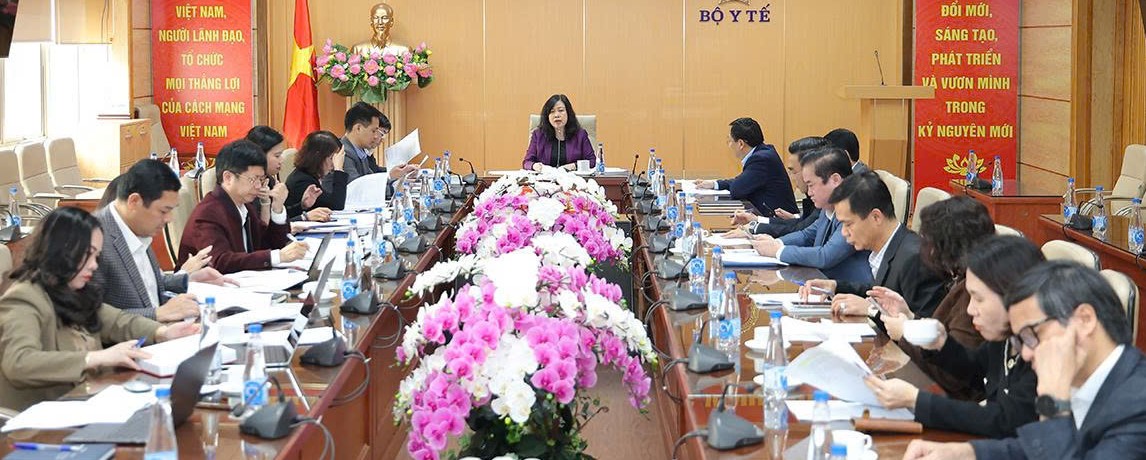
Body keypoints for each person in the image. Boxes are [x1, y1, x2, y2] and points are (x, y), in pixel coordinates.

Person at [905, 261, 1146, 459]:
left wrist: (1054, 403)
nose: (1027, 354)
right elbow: (1035, 447)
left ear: (1084, 320)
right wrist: (965, 453)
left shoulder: (1138, 407)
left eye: (1032, 335)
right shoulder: (1086, 377)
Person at [0, 207, 199, 411]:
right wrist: (96, 358)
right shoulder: (24, 297)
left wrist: (163, 332)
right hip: (42, 417)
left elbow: (118, 321)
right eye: (88, 255)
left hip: (86, 401)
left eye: (97, 256)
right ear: (62, 251)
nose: (94, 265)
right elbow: (19, 362)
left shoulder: (72, 289)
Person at [864, 236, 1045, 438]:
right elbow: (975, 369)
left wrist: (916, 400)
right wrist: (941, 344)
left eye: (978, 299)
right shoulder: (1006, 336)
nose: (970, 309)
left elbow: (1005, 421)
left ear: (1014, 296)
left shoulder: (1042, 354)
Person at [865, 195, 995, 400]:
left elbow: (953, 374)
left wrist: (905, 332)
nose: (925, 249)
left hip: (950, 400)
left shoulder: (973, 292)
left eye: (930, 241)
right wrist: (909, 316)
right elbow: (942, 334)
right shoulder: (961, 277)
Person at [93, 160, 234, 322]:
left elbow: (146, 284)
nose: (169, 219)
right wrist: (158, 313)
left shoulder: (137, 225)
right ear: (134, 201)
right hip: (137, 336)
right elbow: (90, 316)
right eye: (163, 211)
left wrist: (187, 280)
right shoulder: (92, 239)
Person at [798, 171, 947, 318]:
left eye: (848, 224)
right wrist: (834, 286)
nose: (843, 232)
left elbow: (926, 327)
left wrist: (872, 310)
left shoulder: (915, 258)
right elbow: (877, 292)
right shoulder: (889, 246)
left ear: (876, 217)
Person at [177, 140, 308, 274]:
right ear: (228, 178)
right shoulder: (208, 214)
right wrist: (276, 256)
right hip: (208, 285)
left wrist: (277, 208)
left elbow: (268, 244)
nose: (258, 186)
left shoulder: (244, 206)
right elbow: (220, 262)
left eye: (261, 179)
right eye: (253, 179)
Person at [748, 147, 871, 283]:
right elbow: (807, 235)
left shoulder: (853, 210)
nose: (809, 192)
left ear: (835, 180)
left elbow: (825, 256)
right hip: (823, 284)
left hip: (851, 290)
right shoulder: (828, 207)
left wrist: (778, 251)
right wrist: (775, 243)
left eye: (811, 185)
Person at [727, 136, 831, 237]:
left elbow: (801, 230)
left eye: (793, 171)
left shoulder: (825, 202)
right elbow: (800, 223)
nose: (791, 178)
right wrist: (756, 220)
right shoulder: (813, 200)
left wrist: (755, 228)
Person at [695, 118, 798, 217]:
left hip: (781, 221)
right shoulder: (764, 152)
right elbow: (743, 181)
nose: (729, 145)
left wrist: (722, 184)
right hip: (768, 216)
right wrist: (715, 184)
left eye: (730, 141)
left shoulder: (761, 159)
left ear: (740, 144)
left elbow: (737, 189)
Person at [246, 125, 329, 223]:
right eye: (277, 156)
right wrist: (303, 217)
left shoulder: (269, 179)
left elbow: (279, 215)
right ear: (259, 155)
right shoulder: (249, 186)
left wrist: (302, 205)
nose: (281, 160)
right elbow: (264, 227)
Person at [339, 102, 417, 195]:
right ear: (358, 128)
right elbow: (358, 189)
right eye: (373, 131)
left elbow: (371, 180)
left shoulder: (360, 151)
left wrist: (394, 178)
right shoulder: (344, 152)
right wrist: (394, 189)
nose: (376, 136)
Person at [522, 94, 596, 172]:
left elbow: (592, 161)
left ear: (568, 113)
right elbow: (527, 162)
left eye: (561, 110)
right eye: (552, 111)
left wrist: (574, 166)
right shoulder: (538, 135)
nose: (556, 115)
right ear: (547, 116)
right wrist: (534, 166)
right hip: (545, 178)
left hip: (572, 178)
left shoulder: (580, 135)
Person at [286, 131, 349, 219]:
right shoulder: (302, 181)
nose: (334, 164)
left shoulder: (310, 175)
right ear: (318, 157)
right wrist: (339, 169)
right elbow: (337, 205)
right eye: (332, 158)